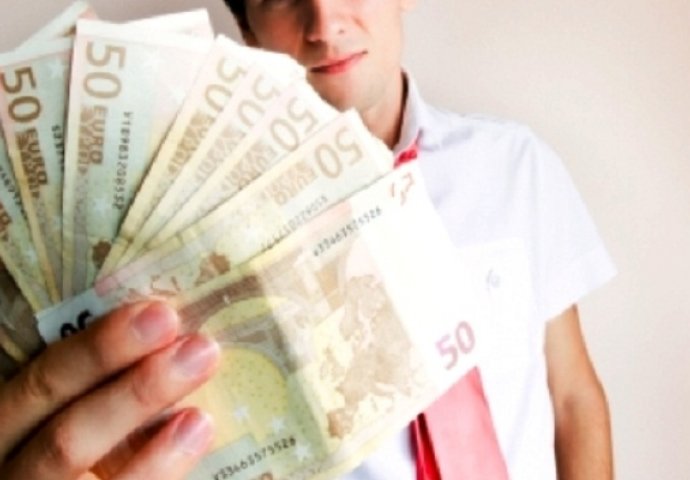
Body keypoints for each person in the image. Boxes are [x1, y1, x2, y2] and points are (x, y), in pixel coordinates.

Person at [0, 1, 615, 479]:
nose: (323, 25)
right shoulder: (187, 227)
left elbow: (572, 395)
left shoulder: (517, 166)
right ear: (247, 31)